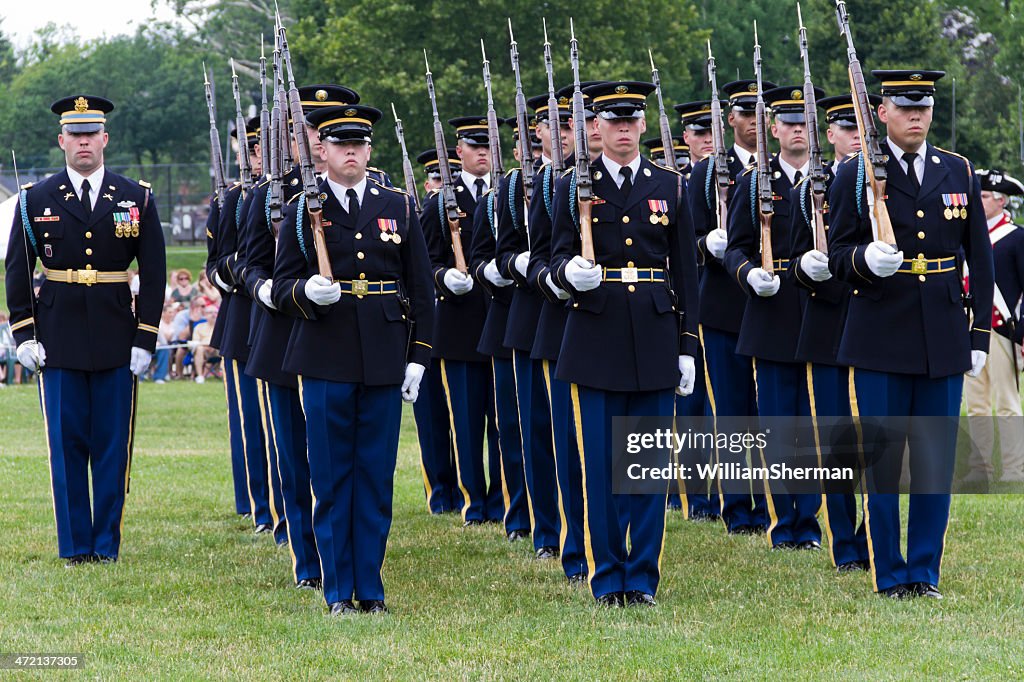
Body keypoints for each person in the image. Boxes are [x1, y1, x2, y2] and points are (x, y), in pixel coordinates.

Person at [828, 70, 993, 599]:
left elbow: (980, 260)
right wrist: (863, 260)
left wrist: (980, 336)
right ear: (881, 112)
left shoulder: (957, 169)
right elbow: (835, 257)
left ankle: (924, 571)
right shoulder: (857, 175)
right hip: (880, 333)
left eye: (923, 105)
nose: (917, 115)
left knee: (933, 461)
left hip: (942, 332)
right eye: (905, 106)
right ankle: (889, 571)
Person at [271, 103, 433, 615]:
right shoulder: (304, 208)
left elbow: (421, 289)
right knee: (332, 477)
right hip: (325, 353)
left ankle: (372, 586)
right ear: (323, 151)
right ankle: (339, 589)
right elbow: (279, 284)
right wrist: (306, 291)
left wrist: (419, 357)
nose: (351, 153)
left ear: (369, 151)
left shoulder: (399, 205)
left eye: (359, 145)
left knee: (375, 477)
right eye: (341, 145)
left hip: (385, 354)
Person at [550, 81, 699, 607]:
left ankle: (643, 576)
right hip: (595, 333)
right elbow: (552, 260)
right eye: (612, 121)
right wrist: (569, 273)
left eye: (630, 120)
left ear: (642, 125)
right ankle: (607, 574)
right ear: (597, 127)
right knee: (601, 467)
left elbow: (686, 274)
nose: (622, 129)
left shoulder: (671, 186)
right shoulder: (574, 186)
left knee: (649, 469)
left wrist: (687, 348)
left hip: (656, 334)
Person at [4, 94, 165, 566]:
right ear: (61, 141)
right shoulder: (36, 198)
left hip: (118, 332)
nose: (83, 142)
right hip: (57, 335)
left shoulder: (136, 196)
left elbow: (153, 273)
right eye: (75, 135)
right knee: (66, 443)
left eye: (91, 134)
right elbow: (17, 271)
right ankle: (75, 546)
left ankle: (105, 544)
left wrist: (146, 336)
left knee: (113, 447)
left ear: (105, 139)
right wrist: (23, 334)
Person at [244, 83, 361, 585]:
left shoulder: (368, 188)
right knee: (295, 452)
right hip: (285, 337)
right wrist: (270, 289)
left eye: (325, 130)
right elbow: (240, 262)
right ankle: (308, 559)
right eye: (308, 130)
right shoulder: (270, 193)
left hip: (347, 338)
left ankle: (347, 549)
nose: (316, 140)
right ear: (293, 137)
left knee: (344, 454)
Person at [723, 84, 824, 551]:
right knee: (781, 422)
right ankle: (787, 522)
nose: (798, 128)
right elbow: (736, 247)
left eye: (805, 121)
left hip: (821, 307)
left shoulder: (832, 178)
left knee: (819, 424)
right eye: (789, 122)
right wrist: (748, 276)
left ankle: (815, 516)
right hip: (774, 308)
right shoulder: (753, 182)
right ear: (774, 129)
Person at [788, 93, 878, 572]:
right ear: (831, 134)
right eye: (846, 126)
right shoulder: (810, 188)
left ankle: (874, 533)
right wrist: (810, 266)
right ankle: (846, 541)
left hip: (876, 320)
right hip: (828, 322)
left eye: (861, 123)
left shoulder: (886, 182)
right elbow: (793, 260)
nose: (855, 134)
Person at [686, 79, 775, 535]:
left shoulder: (781, 171)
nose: (753, 122)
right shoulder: (703, 174)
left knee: (773, 410)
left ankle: (775, 503)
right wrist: (706, 244)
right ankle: (739, 507)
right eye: (744, 114)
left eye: (761, 113)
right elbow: (681, 244)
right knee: (733, 410)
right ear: (732, 119)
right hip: (722, 306)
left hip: (776, 307)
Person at [420, 114, 504, 526]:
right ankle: (475, 501)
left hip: (502, 321)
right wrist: (443, 278)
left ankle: (506, 499)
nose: (484, 151)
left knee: (505, 423)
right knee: (467, 423)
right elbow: (424, 263)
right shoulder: (440, 203)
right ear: (459, 152)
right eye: (475, 145)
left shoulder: (508, 195)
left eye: (489, 144)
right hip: (460, 325)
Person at [962, 169, 1024, 483]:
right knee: (976, 404)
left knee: (1008, 404)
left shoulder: (1016, 236)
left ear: (1001, 201)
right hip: (971, 326)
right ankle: (980, 467)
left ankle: (1014, 469)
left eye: (985, 196)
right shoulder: (968, 236)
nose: (980, 200)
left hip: (1002, 328)